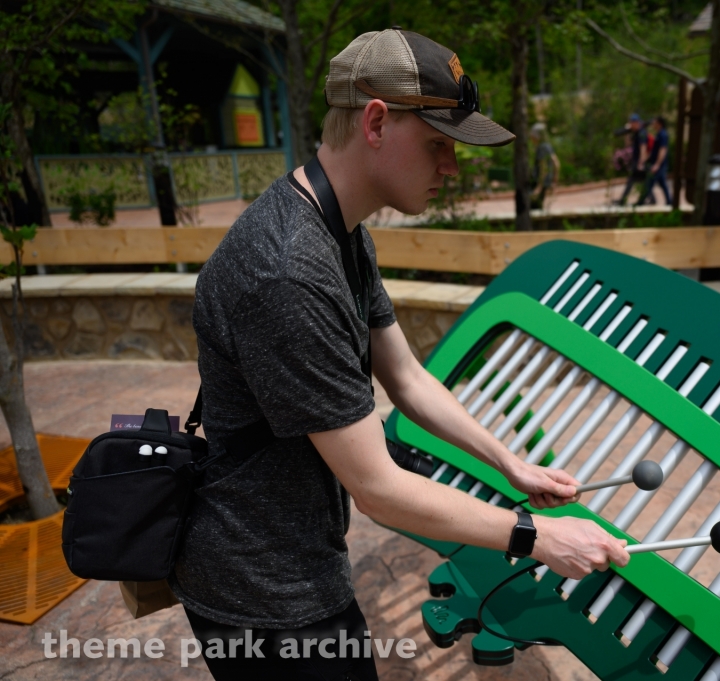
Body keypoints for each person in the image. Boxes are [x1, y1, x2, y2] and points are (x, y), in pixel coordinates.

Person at [172, 28, 629, 680]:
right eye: (440, 144)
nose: (452, 167)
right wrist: (537, 536)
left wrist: (509, 464)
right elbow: (378, 488)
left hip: (295, 559)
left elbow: (409, 379)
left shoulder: (342, 230)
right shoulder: (290, 270)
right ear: (377, 122)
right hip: (263, 590)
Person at [636, 116, 672, 206]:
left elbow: (663, 150)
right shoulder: (659, 134)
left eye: (654, 121)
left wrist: (657, 164)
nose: (652, 123)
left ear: (659, 123)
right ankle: (670, 201)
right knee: (662, 183)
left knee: (649, 182)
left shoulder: (663, 135)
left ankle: (640, 202)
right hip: (658, 164)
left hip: (659, 165)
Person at [617, 113, 647, 205]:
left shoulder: (642, 133)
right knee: (644, 181)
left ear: (636, 122)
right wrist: (627, 132)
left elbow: (643, 148)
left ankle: (623, 200)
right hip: (636, 160)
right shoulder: (636, 133)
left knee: (632, 180)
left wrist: (641, 162)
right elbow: (628, 144)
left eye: (632, 122)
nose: (631, 124)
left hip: (639, 161)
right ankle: (650, 199)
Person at [530, 122, 560, 210]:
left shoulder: (542, 148)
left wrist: (539, 186)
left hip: (539, 183)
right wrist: (554, 181)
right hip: (544, 183)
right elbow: (556, 163)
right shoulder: (547, 146)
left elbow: (543, 167)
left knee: (534, 208)